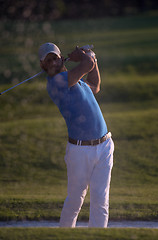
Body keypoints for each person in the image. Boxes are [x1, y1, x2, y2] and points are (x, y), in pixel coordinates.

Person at [38, 42, 114, 228]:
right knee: (75, 200)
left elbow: (95, 85)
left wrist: (90, 56)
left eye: (56, 57)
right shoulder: (56, 83)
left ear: (61, 57)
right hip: (80, 151)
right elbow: (86, 65)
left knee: (101, 200)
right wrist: (83, 56)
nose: (54, 61)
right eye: (49, 60)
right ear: (43, 66)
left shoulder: (75, 80)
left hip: (104, 145)